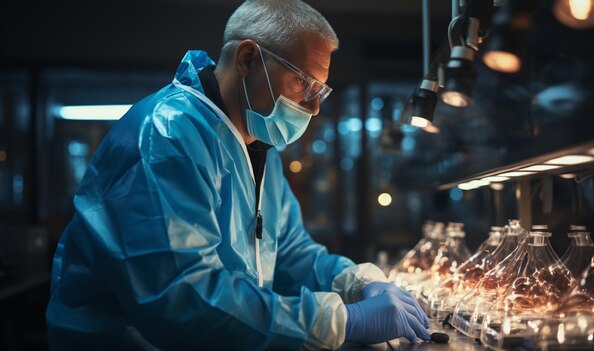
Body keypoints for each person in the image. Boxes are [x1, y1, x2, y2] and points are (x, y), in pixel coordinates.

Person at [45, 0, 430, 349]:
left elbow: (288, 254)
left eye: (321, 91)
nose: (313, 108)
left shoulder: (257, 144)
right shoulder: (167, 136)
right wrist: (342, 320)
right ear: (247, 58)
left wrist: (356, 283)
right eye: (304, 83)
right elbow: (182, 296)